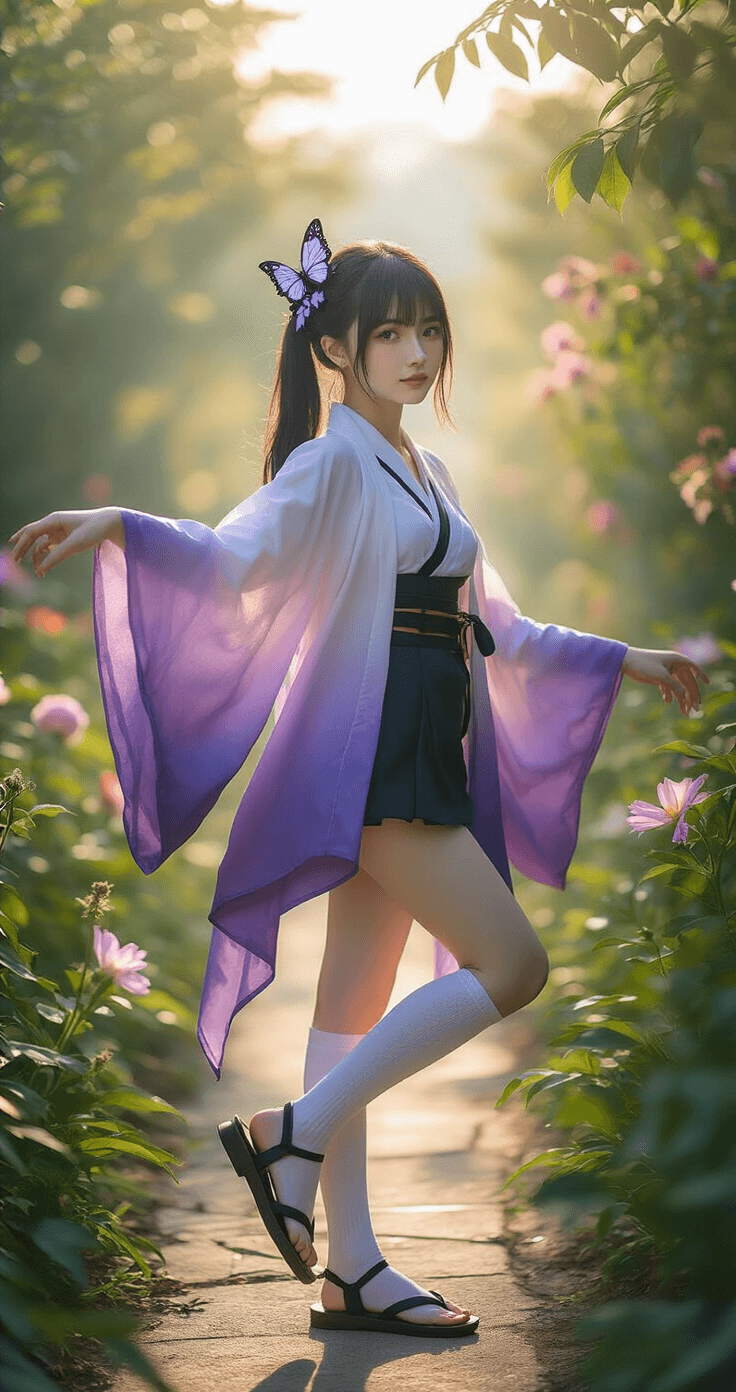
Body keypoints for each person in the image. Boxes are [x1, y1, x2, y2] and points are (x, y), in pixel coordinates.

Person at [7, 220, 709, 1339]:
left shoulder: (426, 469)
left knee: (351, 1004)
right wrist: (120, 529)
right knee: (511, 963)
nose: (416, 350)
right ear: (336, 349)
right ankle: (295, 1128)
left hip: (432, 737)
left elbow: (501, 624)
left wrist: (626, 657)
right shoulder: (331, 460)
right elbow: (237, 555)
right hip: (371, 746)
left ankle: (354, 1268)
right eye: (389, 332)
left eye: (428, 328)